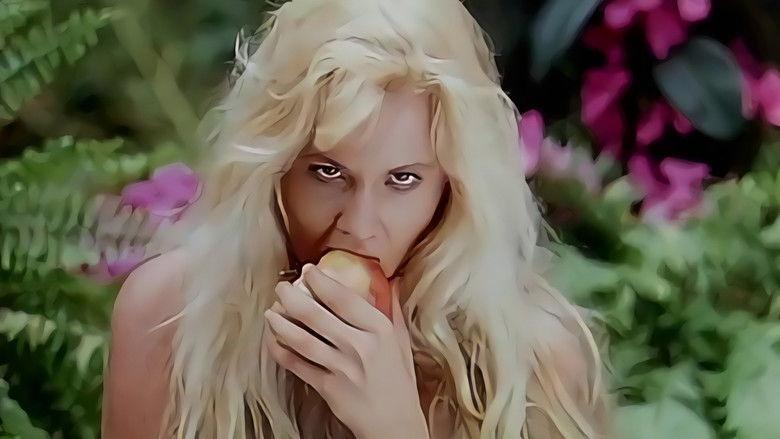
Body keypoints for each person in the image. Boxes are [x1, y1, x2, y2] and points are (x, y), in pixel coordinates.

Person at [101, 0, 610, 437]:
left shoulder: (536, 366)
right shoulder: (167, 318)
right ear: (274, 169)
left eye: (403, 180)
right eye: (327, 172)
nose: (360, 227)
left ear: (453, 187)